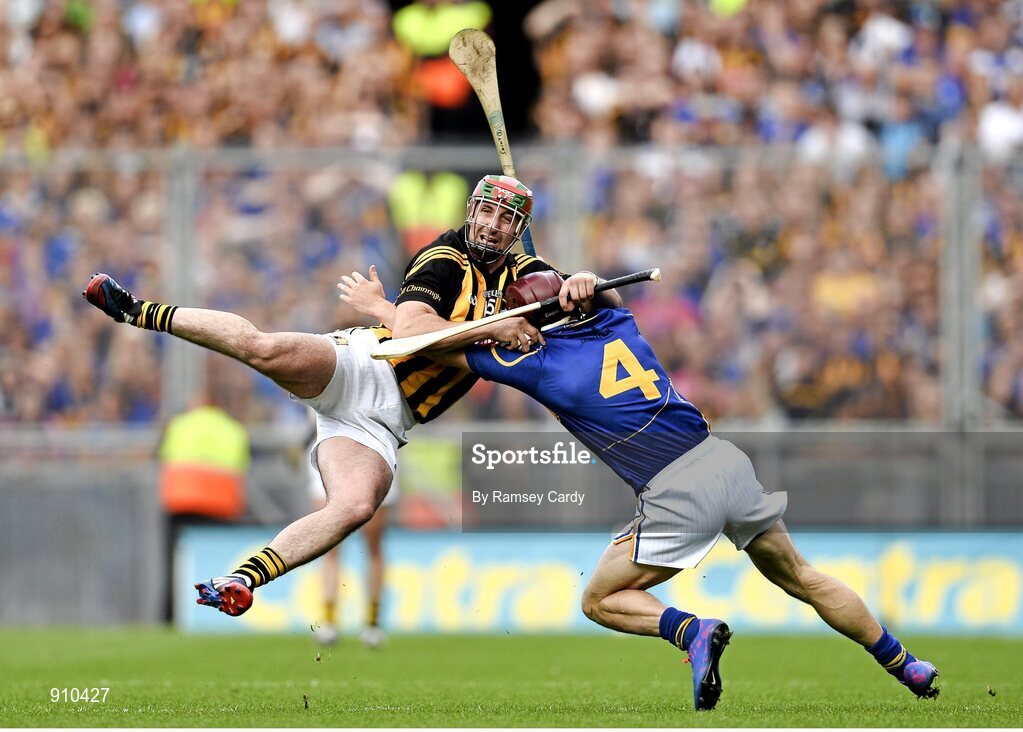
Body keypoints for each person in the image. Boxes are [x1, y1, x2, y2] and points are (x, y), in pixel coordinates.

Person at [342, 268, 940, 711]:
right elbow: (605, 293)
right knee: (804, 578)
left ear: (533, 320)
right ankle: (905, 664)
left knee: (598, 600)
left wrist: (378, 305)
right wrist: (588, 280)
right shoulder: (615, 320)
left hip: (676, 489)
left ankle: (690, 630)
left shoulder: (536, 365)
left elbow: (429, 343)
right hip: (724, 461)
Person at [81, 174, 612, 618]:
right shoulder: (443, 256)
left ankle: (240, 580)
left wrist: (587, 281)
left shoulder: (528, 276)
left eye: (505, 219)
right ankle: (137, 311)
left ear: (520, 229)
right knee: (264, 349)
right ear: (470, 210)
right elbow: (408, 333)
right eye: (486, 212)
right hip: (361, 367)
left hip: (384, 424)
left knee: (357, 506)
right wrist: (490, 329)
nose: (492, 224)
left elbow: (606, 301)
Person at [299, 408, 393, 648]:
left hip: (375, 451)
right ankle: (329, 621)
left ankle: (372, 622)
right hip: (331, 449)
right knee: (328, 543)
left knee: (373, 543)